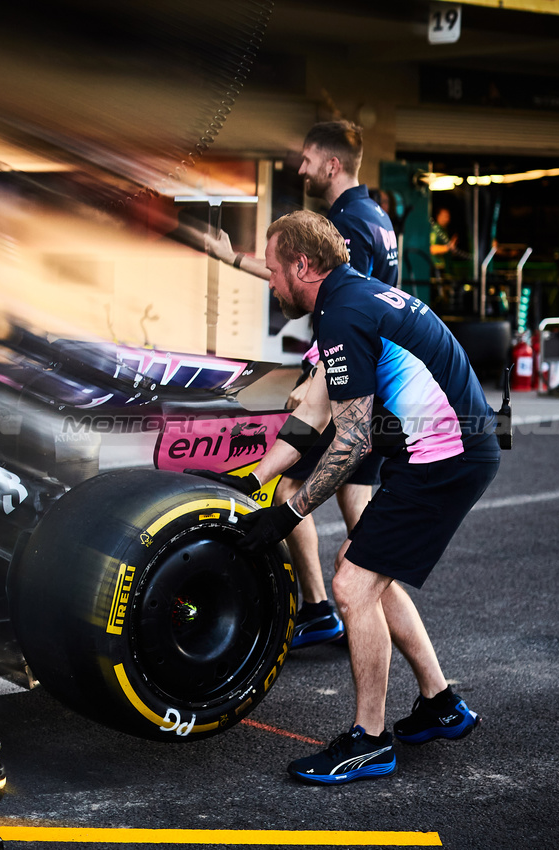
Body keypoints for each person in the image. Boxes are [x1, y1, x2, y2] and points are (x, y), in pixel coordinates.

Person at [199, 210, 500, 785]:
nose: (270, 282)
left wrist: (287, 513)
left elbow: (353, 438)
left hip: (447, 455)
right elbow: (313, 412)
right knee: (366, 575)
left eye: (272, 270)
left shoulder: (343, 313)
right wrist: (254, 481)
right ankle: (441, 704)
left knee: (351, 584)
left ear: (302, 266)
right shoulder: (347, 299)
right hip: (441, 449)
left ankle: (369, 741)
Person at [205, 120, 397, 649]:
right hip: (371, 376)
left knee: (291, 488)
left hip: (352, 376)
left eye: (308, 159)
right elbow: (309, 280)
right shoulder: (377, 215)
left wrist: (317, 376)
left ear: (332, 164)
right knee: (359, 508)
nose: (301, 168)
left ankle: (319, 609)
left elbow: (347, 304)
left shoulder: (346, 222)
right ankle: (361, 609)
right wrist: (231, 258)